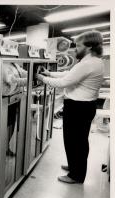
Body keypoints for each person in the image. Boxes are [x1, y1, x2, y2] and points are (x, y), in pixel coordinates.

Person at [36, 30, 105, 184]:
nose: (75, 49)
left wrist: (42, 78)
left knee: (75, 142)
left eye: (78, 46)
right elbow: (69, 74)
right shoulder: (94, 61)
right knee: (78, 141)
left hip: (78, 108)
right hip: (85, 107)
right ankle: (75, 167)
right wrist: (50, 73)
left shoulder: (88, 63)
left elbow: (64, 83)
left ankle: (76, 176)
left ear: (89, 47)